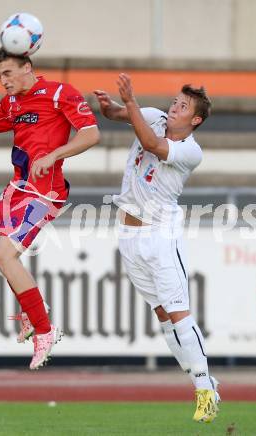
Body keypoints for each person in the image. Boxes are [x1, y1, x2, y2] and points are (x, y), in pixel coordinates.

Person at [0, 47, 100, 370]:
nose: (3, 81)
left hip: (45, 194)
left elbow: (91, 134)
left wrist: (55, 155)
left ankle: (45, 330)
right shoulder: (12, 103)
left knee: (4, 254)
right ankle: (29, 310)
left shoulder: (58, 93)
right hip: (18, 188)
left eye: (8, 73)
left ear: (27, 66)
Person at [94, 75, 219, 423]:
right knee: (162, 314)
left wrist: (130, 103)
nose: (174, 107)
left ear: (195, 120)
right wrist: (110, 109)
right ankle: (201, 377)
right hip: (129, 234)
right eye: (176, 101)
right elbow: (120, 116)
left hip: (161, 234)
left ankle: (205, 388)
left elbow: (150, 144)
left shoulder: (191, 150)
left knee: (179, 311)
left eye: (183, 106)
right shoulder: (152, 115)